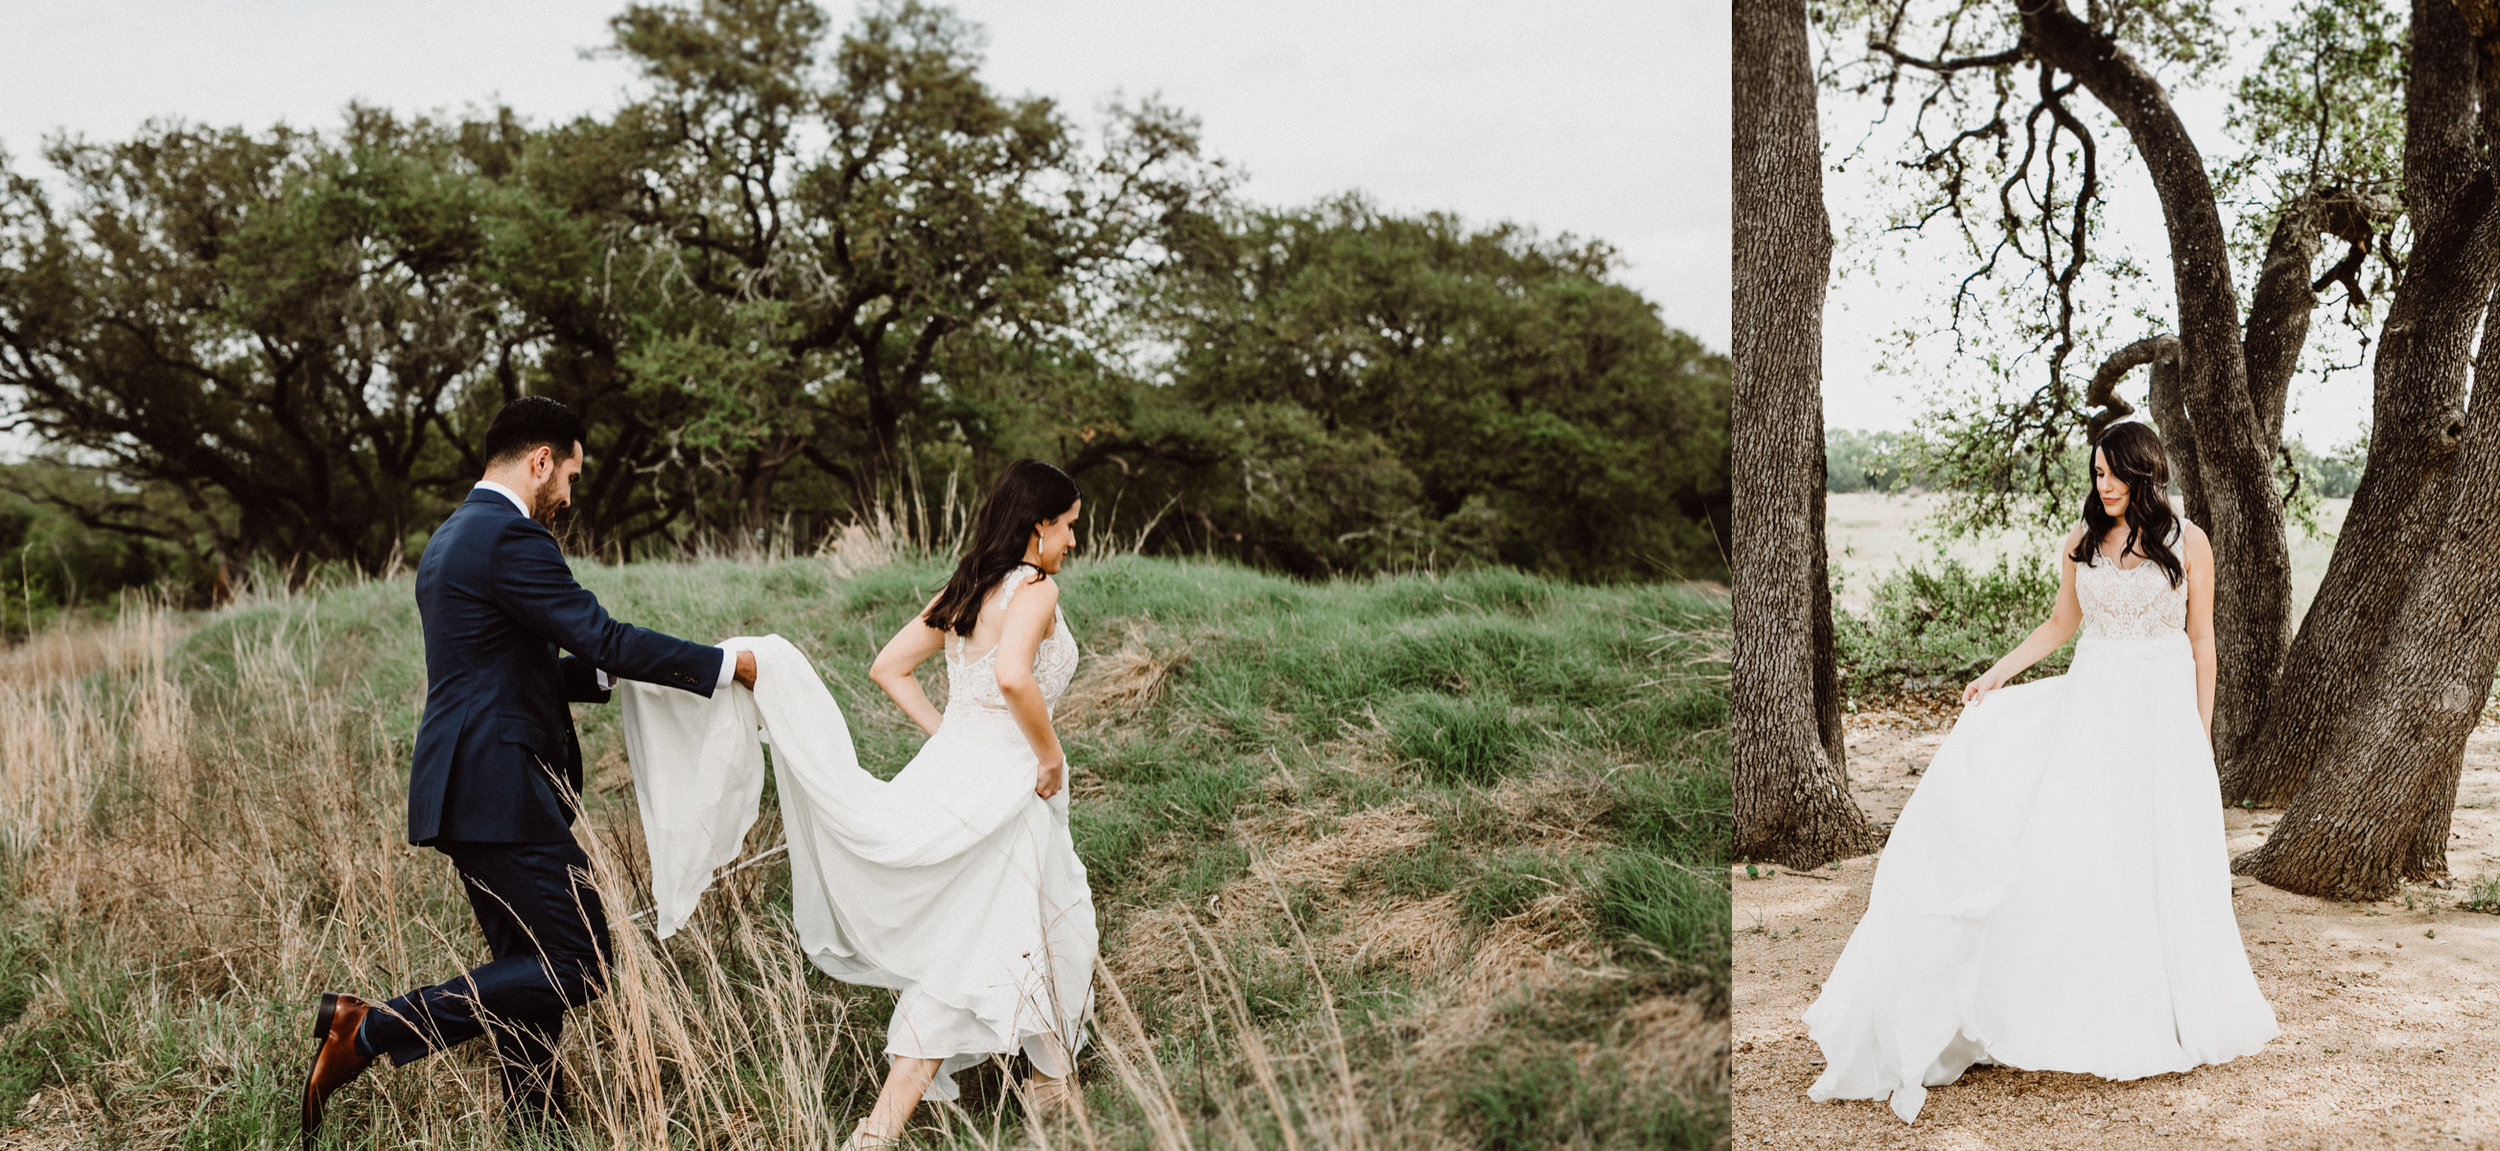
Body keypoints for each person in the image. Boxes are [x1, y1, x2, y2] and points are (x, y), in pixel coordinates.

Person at [298, 396, 759, 1140]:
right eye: (569, 474)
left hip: (464, 784)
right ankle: (370, 1028)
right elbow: (600, 634)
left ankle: (536, 1127)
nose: (569, 495)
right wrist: (720, 664)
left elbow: (510, 665)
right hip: (502, 784)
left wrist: (615, 679)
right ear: (540, 460)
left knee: (527, 967)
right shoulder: (510, 537)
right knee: (581, 963)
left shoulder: (452, 539)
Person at [1802, 420, 2278, 1123]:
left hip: (2158, 718)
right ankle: (2055, 999)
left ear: (2145, 472)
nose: (2104, 484)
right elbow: (2059, 626)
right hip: (2091, 711)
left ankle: (2165, 1002)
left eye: (2114, 473)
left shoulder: (2190, 540)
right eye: (2096, 474)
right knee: (2079, 848)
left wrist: (2198, 732)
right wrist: (1995, 673)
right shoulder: (2081, 543)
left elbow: (2202, 639)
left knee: (2156, 853)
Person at [615, 458, 1096, 1150]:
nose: (1073, 542)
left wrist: (952, 732)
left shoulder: (967, 587)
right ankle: (883, 1129)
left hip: (955, 771)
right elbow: (1017, 677)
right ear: (1038, 525)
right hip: (1008, 784)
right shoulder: (1035, 590)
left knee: (1046, 915)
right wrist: (1047, 756)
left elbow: (888, 666)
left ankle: (1051, 1082)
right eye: (1070, 526)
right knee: (986, 936)